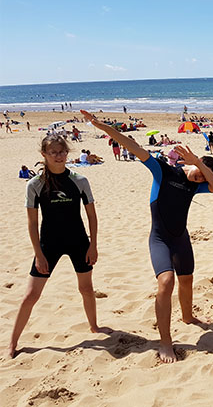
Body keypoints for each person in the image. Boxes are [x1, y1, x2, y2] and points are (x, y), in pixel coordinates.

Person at [81, 110, 213, 363]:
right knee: (166, 281)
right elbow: (132, 145)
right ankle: (165, 342)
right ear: (189, 163)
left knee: (187, 280)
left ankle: (188, 317)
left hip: (181, 238)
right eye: (198, 172)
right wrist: (102, 126)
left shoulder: (196, 184)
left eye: (201, 175)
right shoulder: (164, 171)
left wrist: (199, 164)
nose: (198, 177)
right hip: (159, 238)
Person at [7, 134, 107, 358]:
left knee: (86, 289)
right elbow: (32, 223)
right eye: (53, 152)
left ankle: (94, 326)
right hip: (48, 244)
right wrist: (38, 254)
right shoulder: (35, 184)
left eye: (62, 151)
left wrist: (93, 245)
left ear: (67, 153)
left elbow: (92, 216)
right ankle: (12, 343)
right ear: (44, 155)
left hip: (79, 242)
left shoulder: (79, 181)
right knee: (30, 296)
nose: (58, 156)